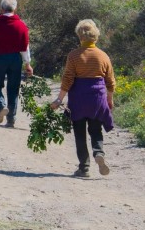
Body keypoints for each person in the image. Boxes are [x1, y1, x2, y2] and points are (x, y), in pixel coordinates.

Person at [51, 19, 116, 178]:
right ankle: (99, 152)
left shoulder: (73, 56)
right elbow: (110, 81)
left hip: (78, 99)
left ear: (80, 37)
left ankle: (84, 168)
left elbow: (67, 79)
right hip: (97, 98)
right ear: (96, 37)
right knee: (95, 129)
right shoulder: (103, 55)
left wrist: (59, 100)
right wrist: (109, 99)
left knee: (79, 133)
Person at [0, 0, 33, 127]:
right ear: (15, 9)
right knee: (13, 89)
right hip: (15, 59)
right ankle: (11, 120)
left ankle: (1, 106)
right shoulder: (21, 25)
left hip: (0, 57)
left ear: (1, 8)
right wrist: (27, 63)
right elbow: (25, 46)